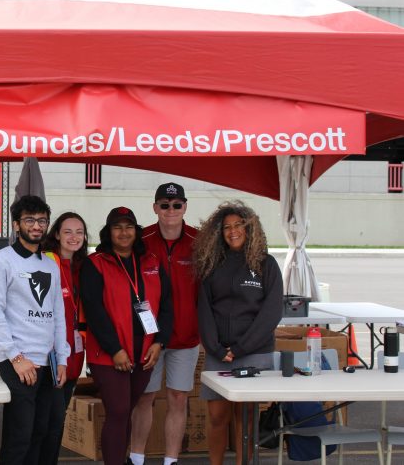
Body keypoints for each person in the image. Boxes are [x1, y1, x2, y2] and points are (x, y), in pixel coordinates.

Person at [0, 195, 70, 465]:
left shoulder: (50, 264)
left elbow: (58, 315)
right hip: (17, 360)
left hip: (48, 362)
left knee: (39, 432)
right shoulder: (1, 261)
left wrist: (62, 359)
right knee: (19, 435)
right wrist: (15, 357)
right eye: (30, 220)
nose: (37, 226)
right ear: (16, 224)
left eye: (42, 220)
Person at [80, 207, 173, 465]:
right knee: (118, 411)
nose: (123, 232)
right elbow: (94, 310)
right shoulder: (95, 263)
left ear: (136, 231)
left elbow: (166, 305)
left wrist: (159, 342)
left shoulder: (151, 261)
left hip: (144, 353)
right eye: (117, 227)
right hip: (109, 355)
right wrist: (115, 349)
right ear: (108, 232)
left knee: (126, 411)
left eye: (128, 227)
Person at [194, 200, 283, 465]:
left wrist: (241, 348)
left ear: (250, 228)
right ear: (219, 233)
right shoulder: (212, 264)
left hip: (254, 353)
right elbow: (204, 310)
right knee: (218, 417)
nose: (232, 231)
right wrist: (216, 348)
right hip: (218, 354)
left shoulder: (266, 264)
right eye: (226, 227)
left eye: (238, 226)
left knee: (245, 422)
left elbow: (271, 313)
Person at [129, 183, 199, 465]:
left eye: (177, 205)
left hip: (186, 337)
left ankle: (171, 460)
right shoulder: (141, 239)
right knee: (145, 398)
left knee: (178, 399)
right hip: (149, 338)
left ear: (185, 206)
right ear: (155, 207)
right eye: (165, 204)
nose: (171, 210)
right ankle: (136, 457)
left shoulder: (200, 239)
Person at [40, 212, 89, 465]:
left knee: (57, 419)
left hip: (75, 353)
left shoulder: (84, 266)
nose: (73, 237)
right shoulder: (47, 262)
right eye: (67, 231)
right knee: (50, 418)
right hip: (50, 352)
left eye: (79, 232)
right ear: (56, 234)